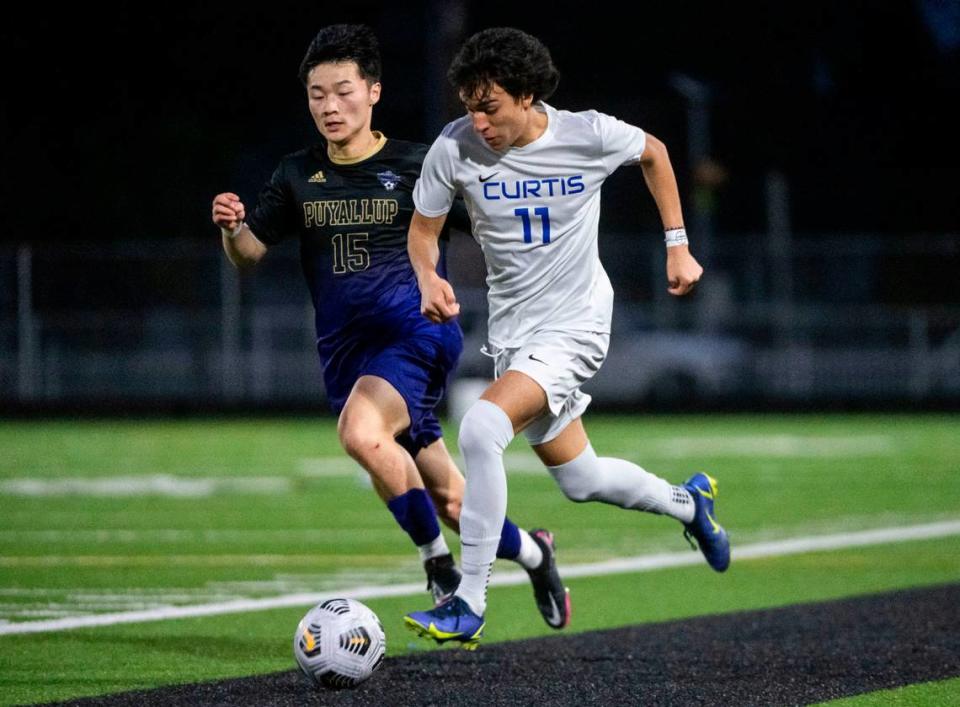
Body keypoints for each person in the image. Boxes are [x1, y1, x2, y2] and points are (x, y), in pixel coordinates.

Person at [210, 24, 569, 628]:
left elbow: (490, 222)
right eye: (317, 94)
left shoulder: (416, 164)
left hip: (417, 336)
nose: (329, 105)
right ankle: (536, 553)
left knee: (361, 432)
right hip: (348, 355)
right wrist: (230, 228)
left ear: (373, 91)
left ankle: (439, 569)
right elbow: (249, 255)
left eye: (343, 91)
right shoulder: (297, 175)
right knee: (452, 500)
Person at [404, 27, 730, 647]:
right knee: (582, 481)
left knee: (479, 428)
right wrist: (427, 275)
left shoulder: (587, 134)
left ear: (527, 95)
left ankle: (467, 599)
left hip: (577, 325)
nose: (479, 120)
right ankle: (690, 505)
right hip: (515, 333)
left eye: (491, 106)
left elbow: (654, 152)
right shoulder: (454, 147)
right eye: (470, 106)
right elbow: (424, 232)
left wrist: (678, 246)